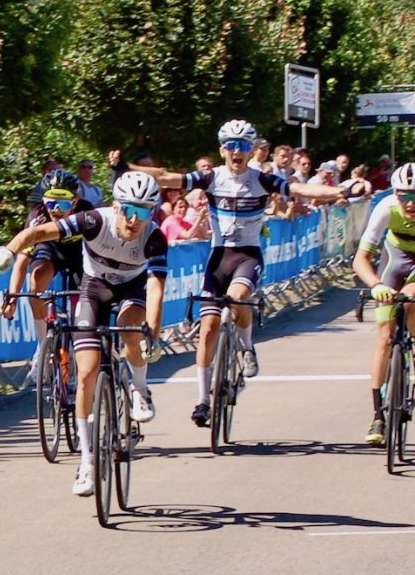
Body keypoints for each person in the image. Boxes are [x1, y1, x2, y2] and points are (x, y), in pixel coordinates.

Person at [130, 119, 347, 428]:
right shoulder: (211, 178)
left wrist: (335, 190)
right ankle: (203, 399)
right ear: (222, 150)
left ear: (250, 151)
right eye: (231, 146)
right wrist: (128, 168)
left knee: (237, 298)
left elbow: (298, 188)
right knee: (207, 328)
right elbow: (167, 178)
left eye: (243, 146)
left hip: (248, 255)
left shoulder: (262, 180)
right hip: (218, 258)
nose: (237, 152)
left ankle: (246, 347)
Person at [0, 171, 167, 497]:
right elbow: (41, 231)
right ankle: (87, 461)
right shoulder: (93, 220)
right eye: (128, 209)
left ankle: (140, 388)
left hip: (132, 290)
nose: (133, 219)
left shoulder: (154, 237)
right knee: (85, 372)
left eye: (143, 212)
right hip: (94, 289)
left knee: (131, 329)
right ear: (116, 206)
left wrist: (152, 333)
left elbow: (156, 288)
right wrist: (10, 248)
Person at [353, 162, 415, 447]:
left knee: (410, 300)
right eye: (404, 196)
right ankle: (378, 414)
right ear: (395, 194)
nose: (410, 203)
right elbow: (360, 259)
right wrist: (375, 286)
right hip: (394, 261)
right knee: (383, 339)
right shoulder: (384, 207)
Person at [0, 169, 95, 346]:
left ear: (74, 203)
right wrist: (12, 297)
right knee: (37, 277)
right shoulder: (38, 217)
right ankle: (43, 344)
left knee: (82, 304)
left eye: (63, 204)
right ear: (44, 201)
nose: (57, 209)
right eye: (51, 203)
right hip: (51, 248)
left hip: (80, 252)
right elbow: (22, 261)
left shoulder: (87, 213)